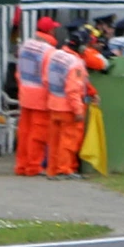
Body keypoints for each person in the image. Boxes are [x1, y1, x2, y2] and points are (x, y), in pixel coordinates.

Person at [12, 16, 56, 177]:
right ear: (51, 31)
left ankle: (21, 165)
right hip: (40, 98)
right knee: (38, 134)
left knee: (24, 132)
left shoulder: (25, 47)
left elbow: (18, 73)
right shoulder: (49, 51)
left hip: (25, 94)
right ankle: (34, 166)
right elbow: (47, 77)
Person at [44, 31, 90, 178]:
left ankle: (52, 170)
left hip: (53, 104)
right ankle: (64, 169)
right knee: (68, 141)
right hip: (68, 108)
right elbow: (73, 90)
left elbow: (45, 80)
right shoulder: (76, 64)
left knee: (55, 140)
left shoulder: (54, 56)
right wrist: (78, 110)